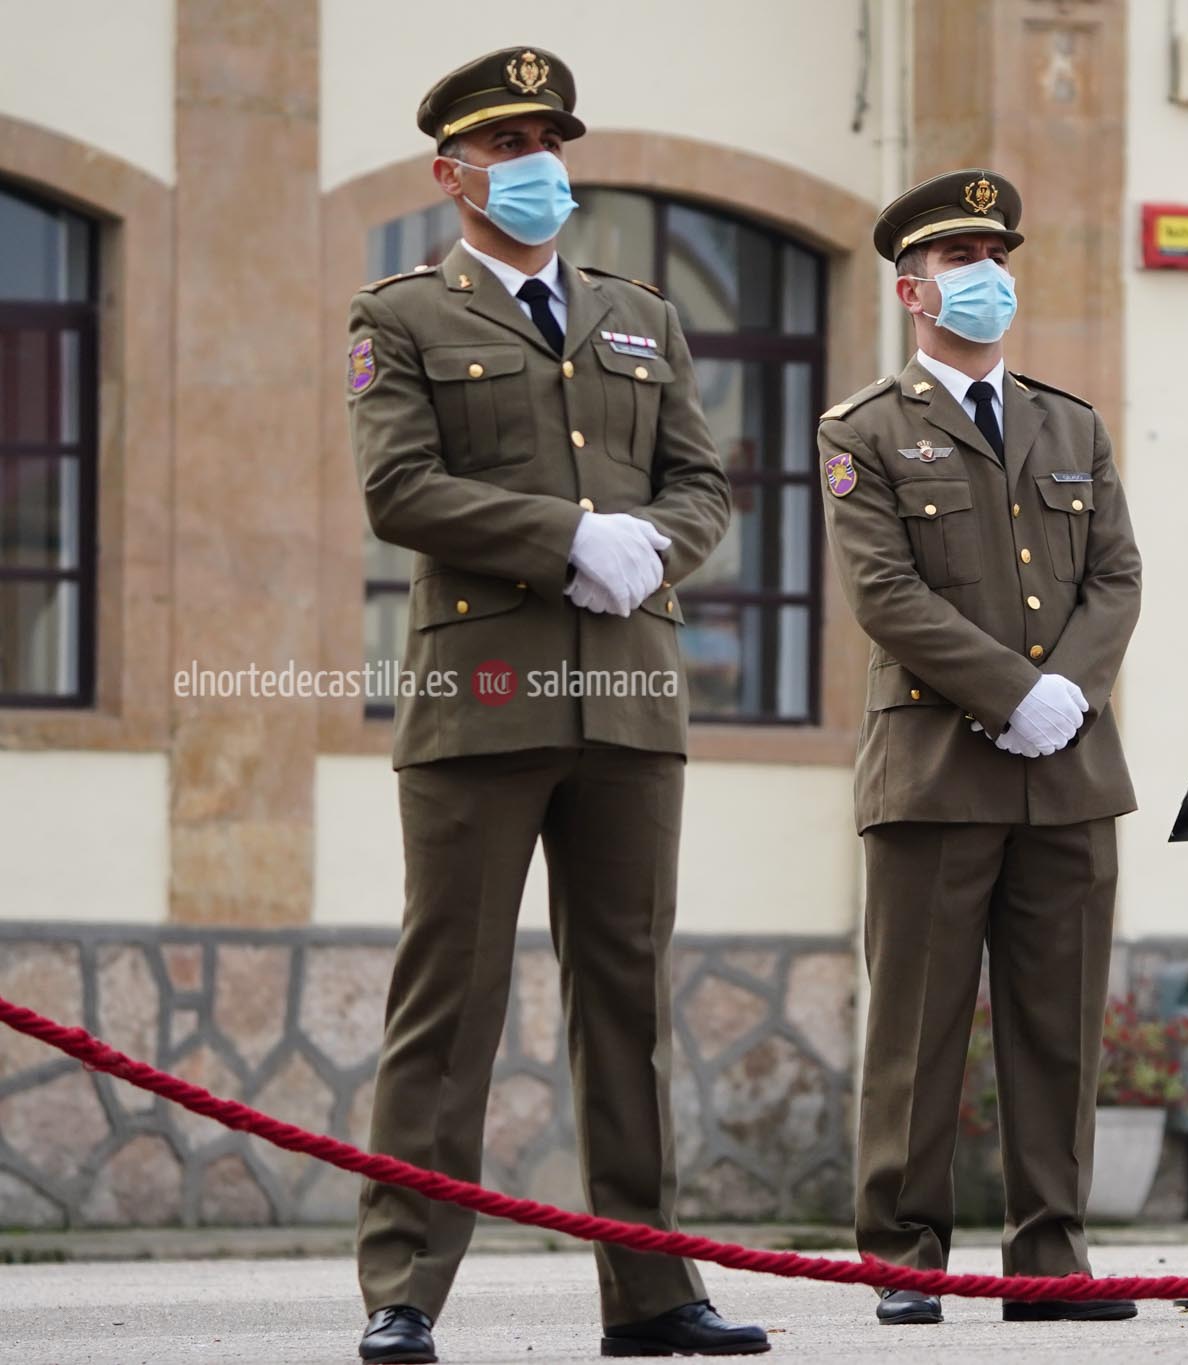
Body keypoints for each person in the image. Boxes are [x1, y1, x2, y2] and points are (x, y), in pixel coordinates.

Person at [345, 45, 766, 1362]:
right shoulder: (401, 316)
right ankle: (404, 1289)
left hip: (629, 699)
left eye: (548, 144)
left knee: (628, 1006)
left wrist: (652, 548)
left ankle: (652, 1295)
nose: (536, 166)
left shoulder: (639, 315)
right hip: (481, 699)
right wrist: (567, 536)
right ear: (452, 174)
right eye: (508, 146)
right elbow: (398, 490)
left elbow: (701, 483)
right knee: (450, 1001)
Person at [817, 168, 1144, 1327]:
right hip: (935, 773)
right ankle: (904, 1259)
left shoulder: (1071, 424)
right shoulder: (862, 430)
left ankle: (1047, 1260)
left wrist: (1067, 694)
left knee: (1059, 1031)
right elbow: (884, 593)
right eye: (960, 260)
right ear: (911, 290)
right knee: (918, 1031)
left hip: (1069, 771)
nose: (986, 276)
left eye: (996, 257)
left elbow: (1115, 576)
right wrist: (1010, 693)